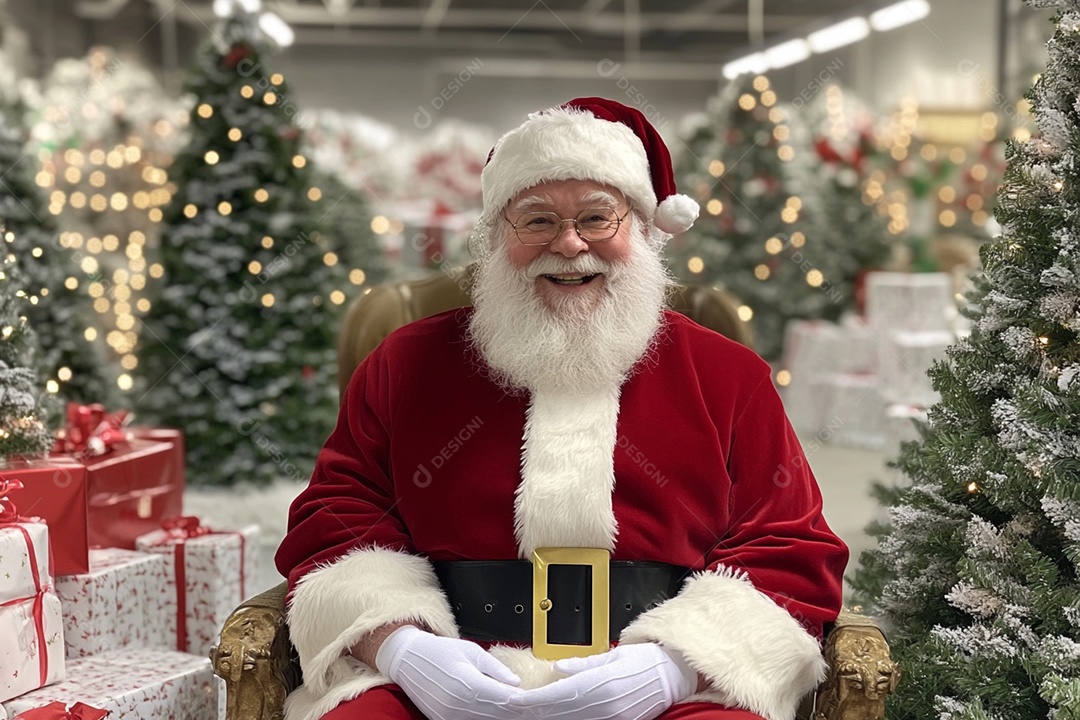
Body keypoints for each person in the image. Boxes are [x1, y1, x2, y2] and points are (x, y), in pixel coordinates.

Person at [275, 97, 848, 720]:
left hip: (665, 676)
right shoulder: (406, 362)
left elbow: (788, 543)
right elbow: (337, 515)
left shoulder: (728, 375)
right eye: (538, 221)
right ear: (498, 236)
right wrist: (404, 649)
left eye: (598, 218)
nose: (570, 245)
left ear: (643, 228)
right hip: (447, 663)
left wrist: (672, 667)